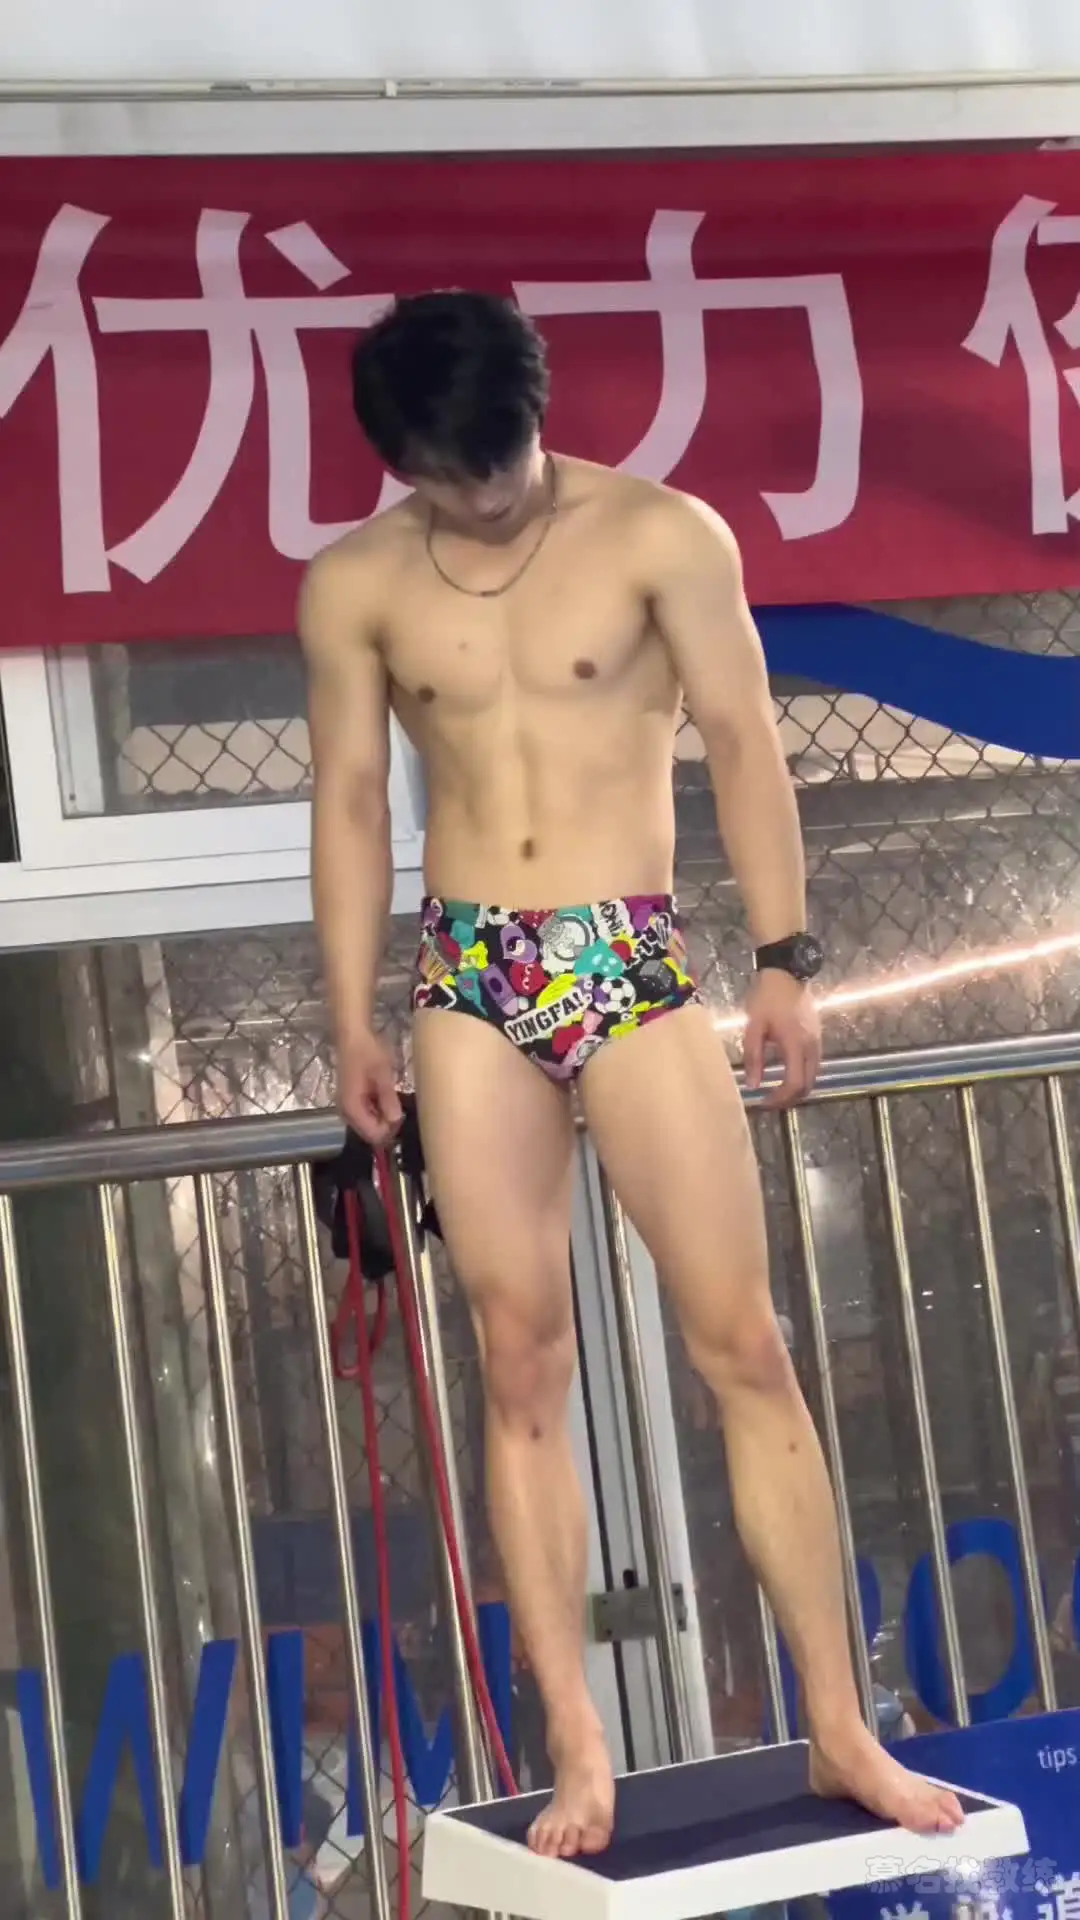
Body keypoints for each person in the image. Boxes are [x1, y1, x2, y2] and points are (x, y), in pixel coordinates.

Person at [298, 290, 966, 1861]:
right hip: (472, 970)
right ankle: (579, 1755)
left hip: (627, 956)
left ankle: (843, 1728)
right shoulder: (357, 584)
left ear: (539, 413)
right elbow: (349, 799)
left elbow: (742, 739)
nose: (490, 498)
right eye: (454, 479)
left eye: (504, 463)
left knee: (744, 1344)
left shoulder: (663, 534)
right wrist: (351, 1018)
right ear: (402, 464)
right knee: (519, 1362)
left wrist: (786, 959)